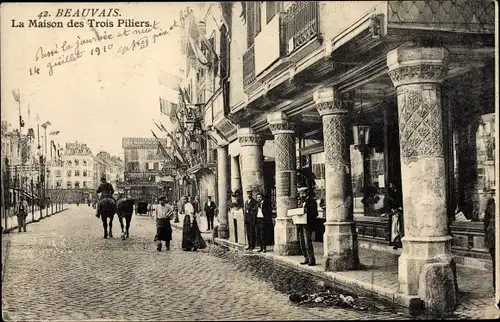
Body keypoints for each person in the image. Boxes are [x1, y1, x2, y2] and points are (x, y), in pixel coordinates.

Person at [297, 186, 318, 266]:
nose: (301, 195)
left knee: (307, 242)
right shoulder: (301, 202)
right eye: (300, 194)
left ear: (306, 193)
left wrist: (306, 213)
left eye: (302, 193)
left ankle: (311, 259)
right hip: (300, 224)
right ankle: (306, 258)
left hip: (307, 224)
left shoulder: (312, 202)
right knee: (302, 243)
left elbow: (315, 213)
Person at [483, 187, 496, 290]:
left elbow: (486, 225)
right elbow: (486, 225)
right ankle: (496, 288)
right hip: (493, 240)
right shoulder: (490, 207)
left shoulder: (490, 207)